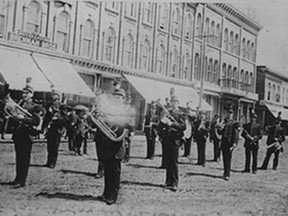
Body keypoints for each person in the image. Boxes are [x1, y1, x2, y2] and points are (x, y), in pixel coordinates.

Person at [93, 88, 132, 205]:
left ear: (123, 99)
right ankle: (106, 193)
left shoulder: (126, 110)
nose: (116, 99)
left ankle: (113, 196)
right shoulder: (110, 109)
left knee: (114, 173)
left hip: (117, 144)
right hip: (108, 143)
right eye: (115, 97)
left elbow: (130, 124)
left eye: (119, 97)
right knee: (108, 170)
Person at [8, 78, 43, 188]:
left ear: (31, 94)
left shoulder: (35, 106)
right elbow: (14, 116)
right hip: (18, 134)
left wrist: (23, 118)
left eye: (27, 93)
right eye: (23, 92)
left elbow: (36, 121)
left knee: (24, 158)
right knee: (18, 157)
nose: (24, 95)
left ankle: (21, 181)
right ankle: (17, 178)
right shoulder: (19, 103)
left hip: (27, 135)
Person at [158, 95, 186, 192]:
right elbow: (161, 124)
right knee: (168, 161)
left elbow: (183, 126)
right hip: (167, 139)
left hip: (175, 140)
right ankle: (168, 181)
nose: (173, 103)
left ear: (178, 103)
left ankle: (174, 183)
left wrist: (172, 124)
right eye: (172, 101)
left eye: (175, 102)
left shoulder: (180, 113)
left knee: (174, 162)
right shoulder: (168, 112)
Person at [42, 87, 67, 168]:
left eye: (55, 95)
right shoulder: (49, 105)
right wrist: (44, 127)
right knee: (49, 146)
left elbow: (65, 118)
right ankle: (49, 161)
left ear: (58, 96)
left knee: (55, 146)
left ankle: (53, 162)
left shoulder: (62, 106)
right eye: (52, 95)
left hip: (57, 129)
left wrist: (57, 118)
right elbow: (46, 117)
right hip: (50, 128)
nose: (53, 96)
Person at [220, 107, 239, 181]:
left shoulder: (234, 123)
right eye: (228, 113)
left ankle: (227, 174)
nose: (229, 114)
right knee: (224, 158)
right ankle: (225, 172)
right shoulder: (224, 122)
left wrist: (234, 143)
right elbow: (220, 132)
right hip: (224, 142)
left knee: (228, 158)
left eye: (230, 113)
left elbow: (236, 134)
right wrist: (219, 128)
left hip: (229, 143)